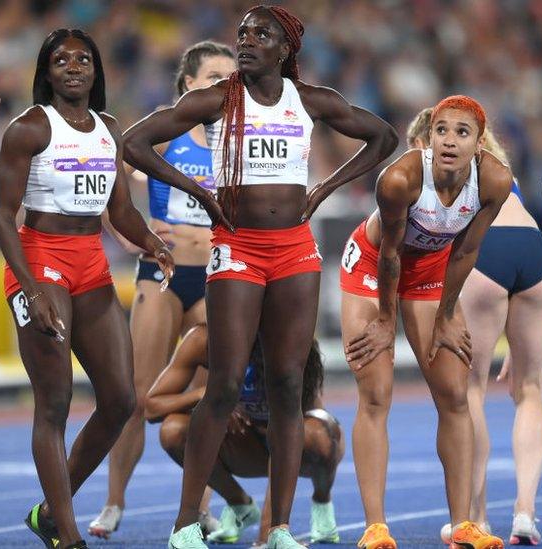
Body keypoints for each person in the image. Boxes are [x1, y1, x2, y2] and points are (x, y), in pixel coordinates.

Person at [122, 6, 397, 548]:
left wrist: (321, 190)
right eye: (242, 33)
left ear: (285, 49)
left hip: (295, 249)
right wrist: (200, 191)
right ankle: (184, 526)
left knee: (288, 388)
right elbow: (133, 142)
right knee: (222, 385)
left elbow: (384, 137)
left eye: (260, 34)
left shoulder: (308, 100)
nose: (246, 42)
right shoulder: (216, 100)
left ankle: (278, 529)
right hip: (238, 248)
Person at [0, 29, 174, 549]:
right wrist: (29, 287)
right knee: (55, 402)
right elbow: (4, 216)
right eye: (61, 59)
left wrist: (151, 242)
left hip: (90, 262)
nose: (73, 66)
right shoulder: (29, 128)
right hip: (40, 260)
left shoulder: (109, 130)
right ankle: (68, 538)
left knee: (120, 398)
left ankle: (52, 510)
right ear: (46, 72)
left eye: (84, 59)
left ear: (96, 70)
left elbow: (120, 211)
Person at [340, 95, 510, 549]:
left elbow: (467, 249)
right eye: (441, 131)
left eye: (462, 132)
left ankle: (463, 524)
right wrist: (383, 320)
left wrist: (448, 313)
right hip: (373, 265)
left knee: (454, 393)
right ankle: (376, 527)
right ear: (429, 136)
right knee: (375, 392)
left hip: (432, 267)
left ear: (478, 143)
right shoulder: (400, 179)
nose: (450, 141)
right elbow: (390, 255)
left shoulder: (494, 179)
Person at [89, 40, 236, 541]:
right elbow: (108, 177)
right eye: (215, 76)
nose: (225, 84)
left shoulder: (238, 139)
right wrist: (132, 235)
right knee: (135, 394)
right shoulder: (167, 130)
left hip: (218, 274)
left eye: (231, 76)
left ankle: (200, 507)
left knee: (207, 398)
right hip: (167, 274)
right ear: (188, 84)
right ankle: (113, 502)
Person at [406, 109, 542, 546]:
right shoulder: (500, 174)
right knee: (530, 388)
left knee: (469, 391)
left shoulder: (433, 172)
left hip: (484, 255)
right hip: (534, 250)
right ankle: (525, 511)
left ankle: (477, 516)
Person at [146, 325, 343, 547]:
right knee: (173, 430)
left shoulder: (289, 335)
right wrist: (208, 396)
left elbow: (298, 421)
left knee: (316, 434)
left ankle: (321, 500)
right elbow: (152, 408)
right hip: (244, 443)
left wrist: (266, 536)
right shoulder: (203, 340)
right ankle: (240, 503)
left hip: (298, 447)